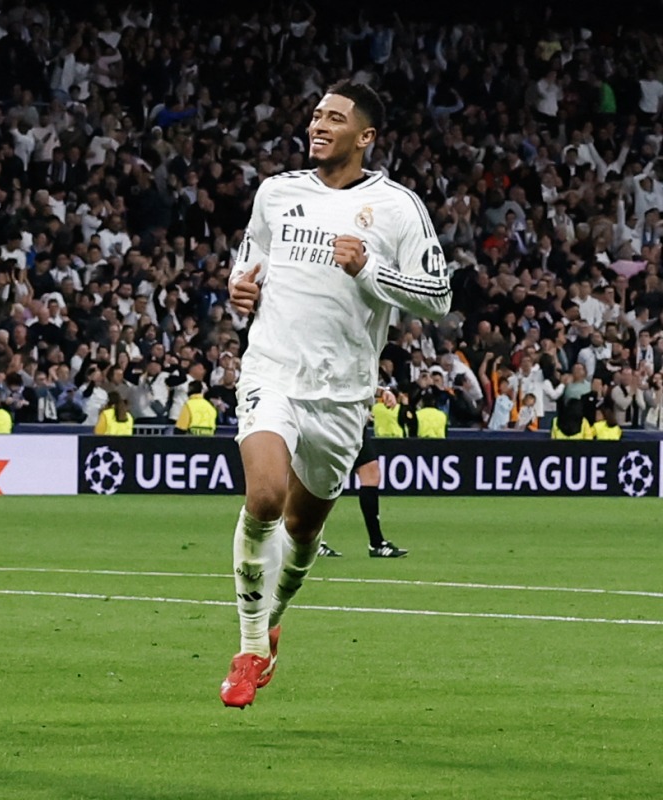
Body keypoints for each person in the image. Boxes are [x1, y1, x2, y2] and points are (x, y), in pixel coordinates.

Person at [219, 80, 451, 709]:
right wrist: (240, 287)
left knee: (300, 536)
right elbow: (251, 259)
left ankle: (273, 620)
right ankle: (247, 650)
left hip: (344, 395)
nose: (318, 124)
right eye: (316, 114)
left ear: (365, 137)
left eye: (335, 118)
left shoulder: (397, 208)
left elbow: (438, 297)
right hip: (273, 371)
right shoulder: (277, 192)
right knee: (264, 495)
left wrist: (368, 270)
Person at [319, 388, 409, 559]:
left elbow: (358, 379)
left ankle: (377, 543)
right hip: (333, 420)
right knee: (324, 478)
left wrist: (382, 392)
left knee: (371, 472)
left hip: (354, 422)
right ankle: (309, 539)